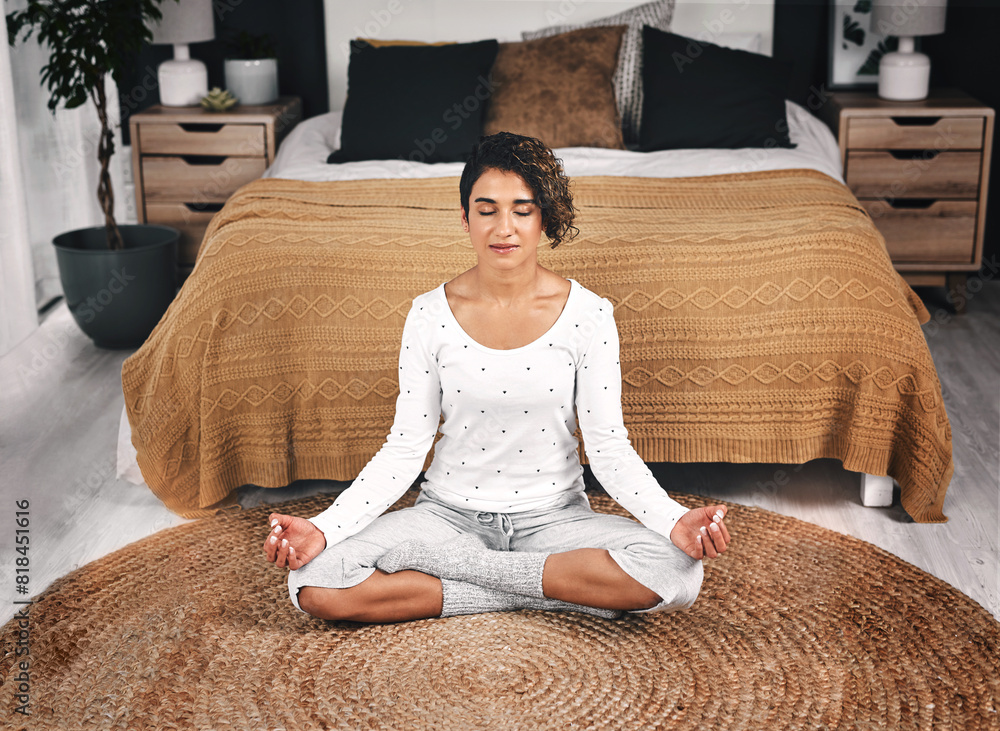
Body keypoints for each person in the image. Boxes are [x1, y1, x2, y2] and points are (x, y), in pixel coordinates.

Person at [263, 132, 731, 624]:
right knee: (314, 583)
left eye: (521, 210)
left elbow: (609, 449)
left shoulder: (589, 315)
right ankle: (552, 589)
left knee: (678, 571)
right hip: (445, 518)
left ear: (542, 218)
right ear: (465, 218)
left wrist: (674, 520)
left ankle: (467, 575)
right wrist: (324, 528)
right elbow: (404, 448)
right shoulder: (429, 314)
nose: (503, 227)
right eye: (486, 210)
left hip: (555, 521)